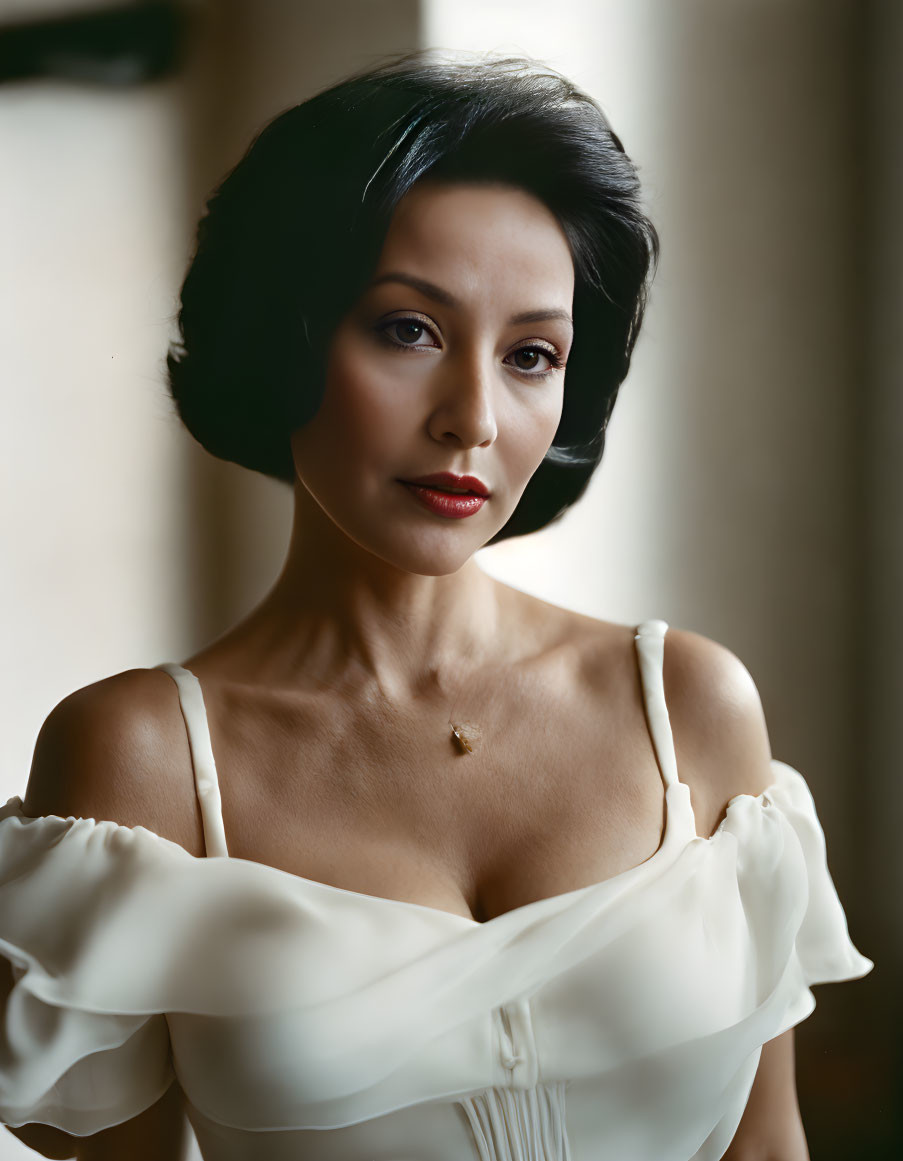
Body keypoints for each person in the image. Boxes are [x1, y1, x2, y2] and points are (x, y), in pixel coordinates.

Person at [0, 49, 872, 1161]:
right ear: (287, 334)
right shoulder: (139, 760)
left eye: (532, 354)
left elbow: (766, 1148)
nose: (473, 418)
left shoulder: (690, 709)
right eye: (408, 329)